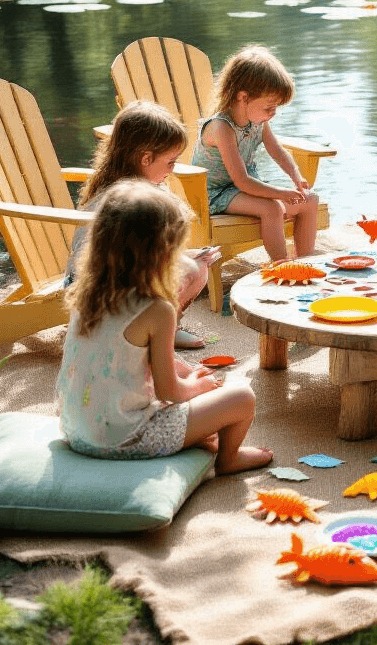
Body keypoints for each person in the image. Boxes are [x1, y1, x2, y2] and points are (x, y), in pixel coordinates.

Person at [57, 180, 272, 474]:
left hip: (76, 431)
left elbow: (123, 355)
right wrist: (198, 386)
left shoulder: (87, 293)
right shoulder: (157, 310)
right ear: (161, 253)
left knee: (197, 399)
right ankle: (229, 458)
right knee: (241, 398)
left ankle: (198, 436)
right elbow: (170, 392)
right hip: (125, 439)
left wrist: (186, 372)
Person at [67, 100, 220, 349]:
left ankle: (167, 327)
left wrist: (189, 255)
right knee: (188, 269)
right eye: (170, 162)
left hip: (129, 272)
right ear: (146, 158)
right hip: (101, 283)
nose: (172, 169)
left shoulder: (150, 184)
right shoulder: (124, 201)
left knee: (197, 266)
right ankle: (147, 332)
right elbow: (121, 263)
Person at [190, 44, 318, 261]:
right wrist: (281, 193)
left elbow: (276, 150)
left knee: (310, 200)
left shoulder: (256, 121)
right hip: (216, 195)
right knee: (273, 208)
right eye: (269, 107)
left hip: (245, 191)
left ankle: (308, 261)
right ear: (243, 97)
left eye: (276, 108)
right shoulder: (221, 128)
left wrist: (295, 175)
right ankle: (282, 266)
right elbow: (241, 181)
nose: (273, 114)